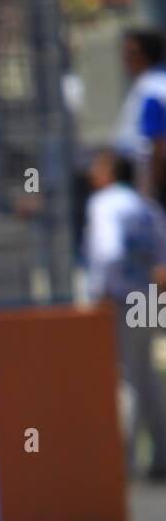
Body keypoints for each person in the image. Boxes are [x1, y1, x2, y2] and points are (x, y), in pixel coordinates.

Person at [85, 150, 166, 479]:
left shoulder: (104, 203)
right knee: (147, 376)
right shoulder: (146, 205)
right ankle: (161, 454)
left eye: (97, 166)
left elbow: (110, 251)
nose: (92, 172)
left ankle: (124, 466)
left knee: (127, 379)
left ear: (109, 171)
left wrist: (101, 294)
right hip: (148, 296)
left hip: (121, 297)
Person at [114, 29, 166, 202]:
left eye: (130, 53)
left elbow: (157, 141)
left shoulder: (152, 89)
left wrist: (152, 186)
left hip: (151, 179)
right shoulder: (152, 83)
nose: (125, 59)